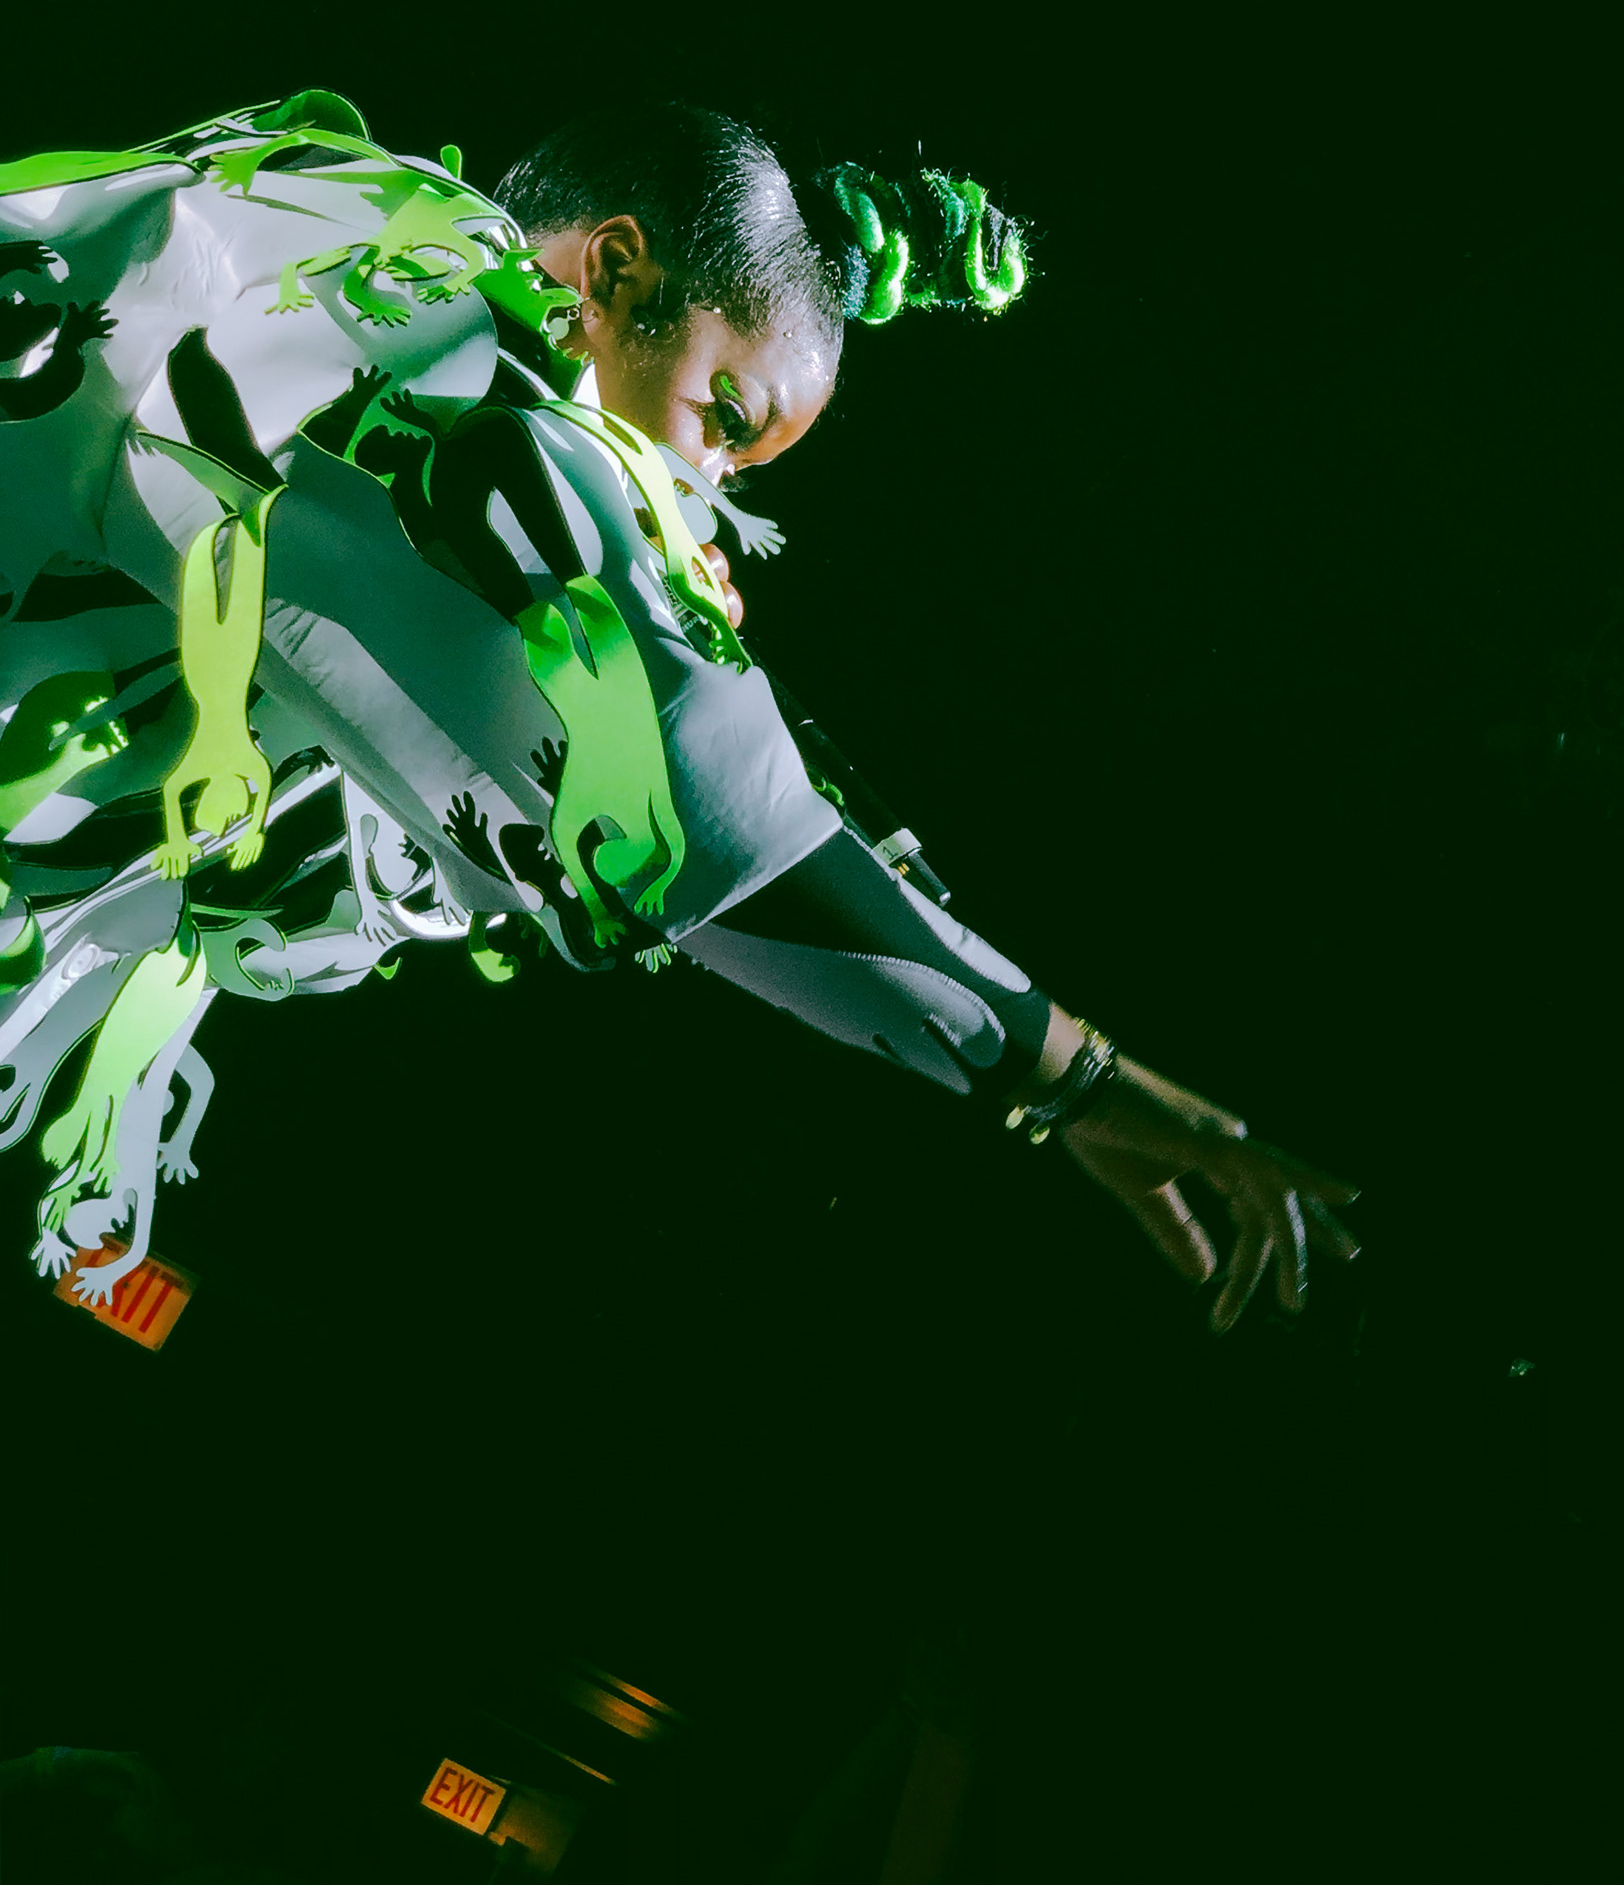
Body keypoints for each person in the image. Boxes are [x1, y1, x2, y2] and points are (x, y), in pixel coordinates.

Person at [0, 88, 1357, 1327]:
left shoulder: (289, 237)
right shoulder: (412, 317)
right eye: (722, 421)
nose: (703, 495)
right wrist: (1070, 1078)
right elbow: (683, 795)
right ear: (613, 271)